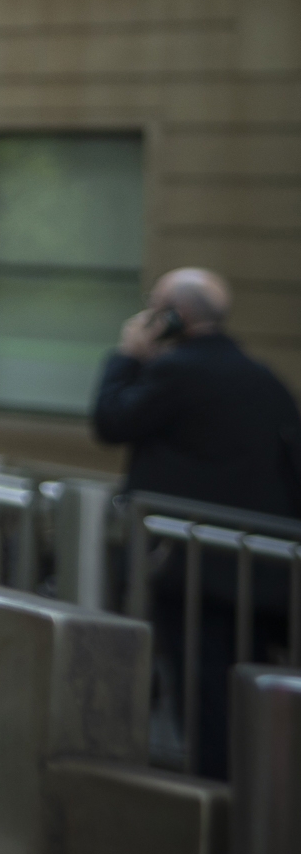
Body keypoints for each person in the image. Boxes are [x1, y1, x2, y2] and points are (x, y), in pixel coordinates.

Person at [92, 267, 301, 778]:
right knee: (243, 692)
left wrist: (126, 356)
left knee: (203, 696)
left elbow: (111, 419)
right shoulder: (263, 376)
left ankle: (218, 804)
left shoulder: (175, 372)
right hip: (259, 570)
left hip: (192, 572)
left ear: (171, 317)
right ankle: (253, 804)